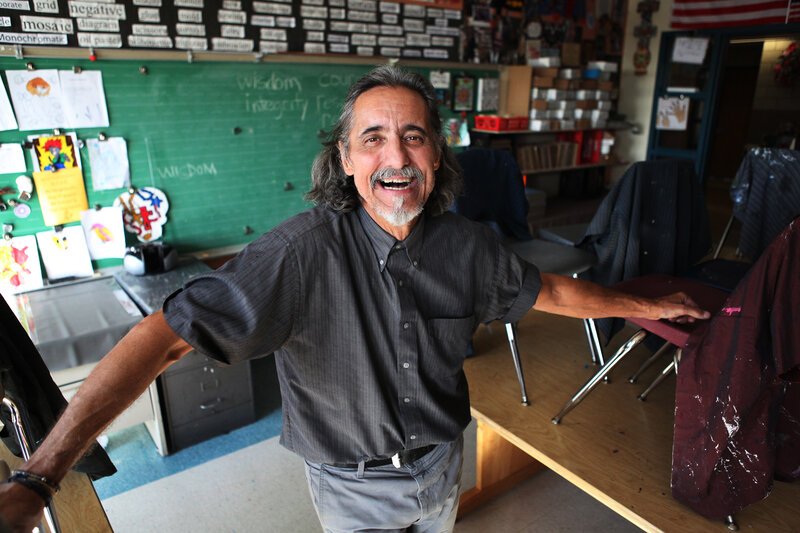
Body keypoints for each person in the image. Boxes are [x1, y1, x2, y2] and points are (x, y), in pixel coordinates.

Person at [0, 65, 709, 533]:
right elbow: (164, 336)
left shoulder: (467, 245)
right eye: (373, 139)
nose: (395, 157)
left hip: (442, 465)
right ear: (344, 159)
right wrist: (39, 476)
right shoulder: (298, 253)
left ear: (437, 155)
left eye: (413, 137)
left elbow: (547, 288)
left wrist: (646, 307)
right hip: (350, 488)